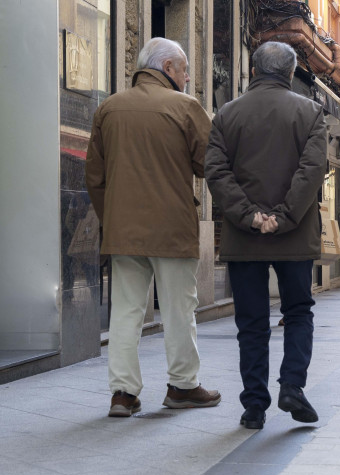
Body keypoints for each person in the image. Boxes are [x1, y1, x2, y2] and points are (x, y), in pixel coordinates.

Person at [86, 37, 220, 418]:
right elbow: (210, 164)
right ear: (167, 68)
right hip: (172, 228)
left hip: (123, 230)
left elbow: (94, 176)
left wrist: (111, 217)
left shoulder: (109, 108)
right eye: (184, 69)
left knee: (126, 311)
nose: (189, 77)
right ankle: (183, 386)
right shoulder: (185, 107)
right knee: (180, 308)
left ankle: (122, 395)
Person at [205, 41, 327, 431]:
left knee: (251, 322)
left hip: (245, 238)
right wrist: (284, 216)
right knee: (297, 312)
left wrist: (251, 217)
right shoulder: (310, 113)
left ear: (253, 72)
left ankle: (254, 405)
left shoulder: (226, 114)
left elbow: (216, 172)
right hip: (294, 236)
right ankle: (292, 385)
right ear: (290, 74)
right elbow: (311, 171)